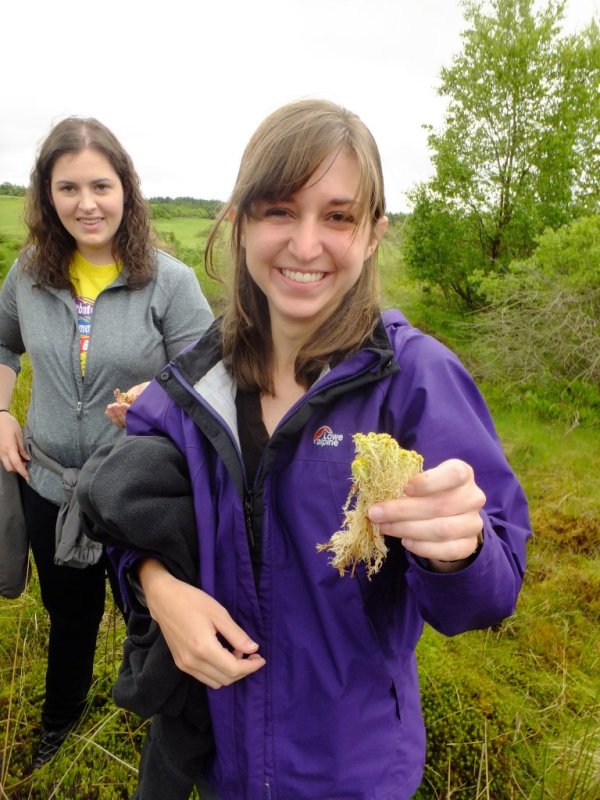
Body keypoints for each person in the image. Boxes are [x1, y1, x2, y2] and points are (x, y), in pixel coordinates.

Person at [78, 99, 531, 800]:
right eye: (279, 210)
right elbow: (124, 527)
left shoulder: (413, 380)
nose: (306, 244)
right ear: (240, 221)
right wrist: (158, 589)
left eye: (339, 216)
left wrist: (460, 551)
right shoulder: (196, 383)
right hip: (219, 761)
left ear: (374, 233)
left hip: (354, 772)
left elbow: (488, 598)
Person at [0, 116, 213, 770]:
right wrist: (0, 410)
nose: (86, 204)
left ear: (126, 190)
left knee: (151, 618)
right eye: (67, 188)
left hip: (137, 495)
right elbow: (3, 342)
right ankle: (62, 731)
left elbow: (212, 377)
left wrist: (159, 402)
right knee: (70, 618)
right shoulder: (30, 272)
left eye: (100, 185)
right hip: (49, 484)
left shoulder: (170, 283)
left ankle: (163, 740)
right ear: (46, 195)